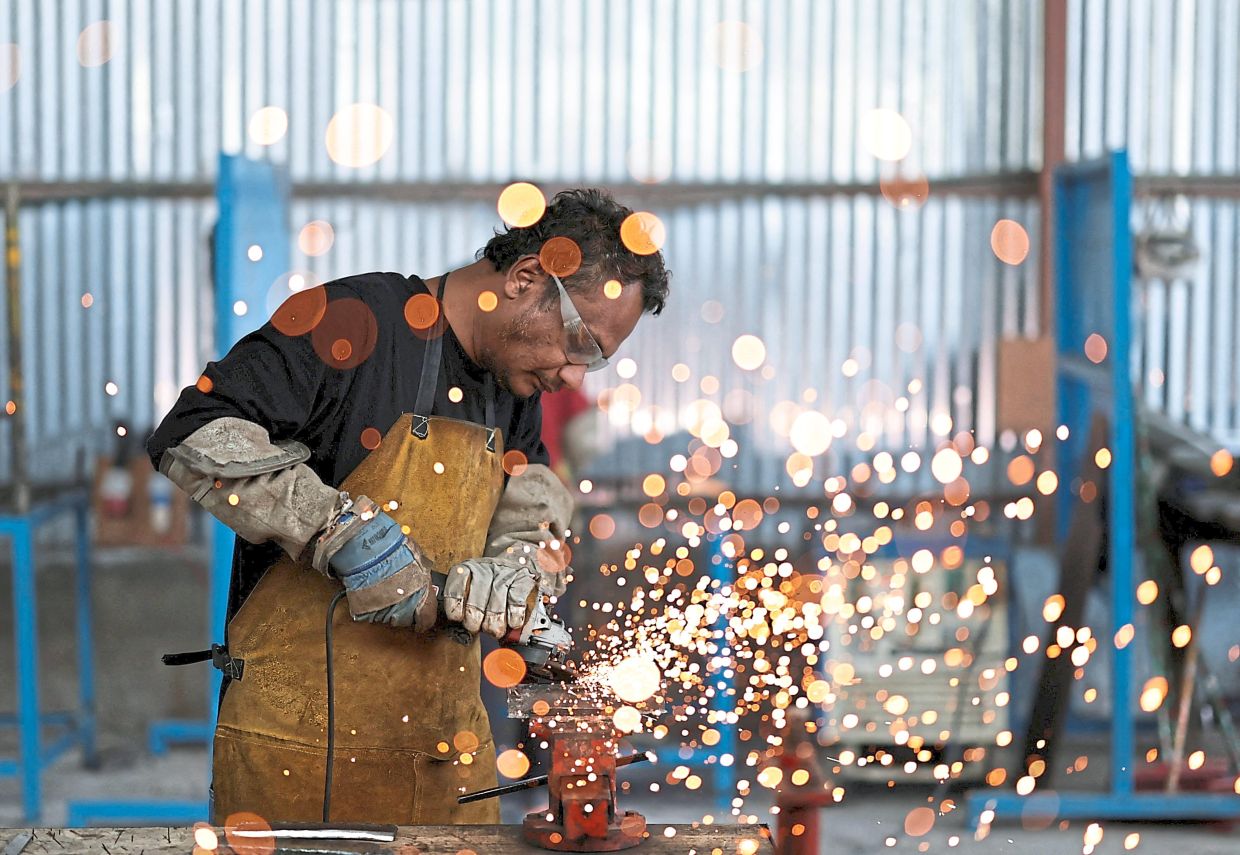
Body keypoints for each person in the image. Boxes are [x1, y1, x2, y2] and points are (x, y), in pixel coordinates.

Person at [146, 188, 670, 825]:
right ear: (527, 278)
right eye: (580, 343)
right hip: (299, 761)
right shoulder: (350, 323)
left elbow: (531, 495)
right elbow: (194, 431)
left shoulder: (512, 383)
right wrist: (337, 530)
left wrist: (520, 564)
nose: (574, 377)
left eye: (597, 360)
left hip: (448, 759)